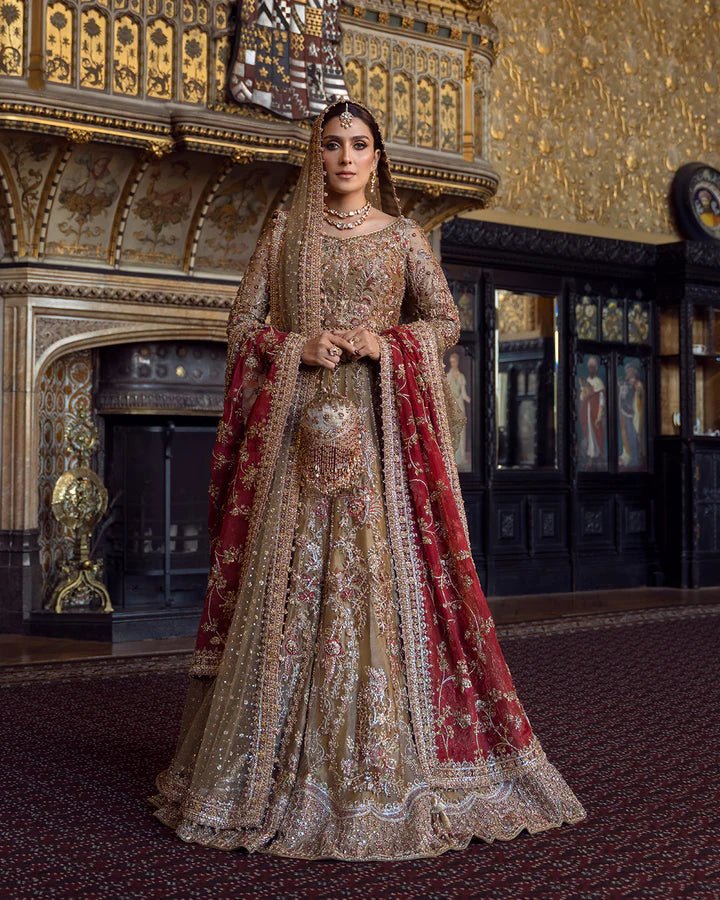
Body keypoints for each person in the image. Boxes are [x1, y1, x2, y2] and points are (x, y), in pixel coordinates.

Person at [150, 99, 585, 860]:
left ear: (378, 157)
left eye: (359, 144)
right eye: (331, 144)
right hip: (295, 442)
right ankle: (262, 770)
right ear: (313, 155)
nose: (345, 157)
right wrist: (297, 346)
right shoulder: (286, 235)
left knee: (371, 590)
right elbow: (241, 328)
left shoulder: (404, 239)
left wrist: (384, 343)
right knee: (287, 590)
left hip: (379, 448)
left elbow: (445, 323)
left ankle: (380, 763)